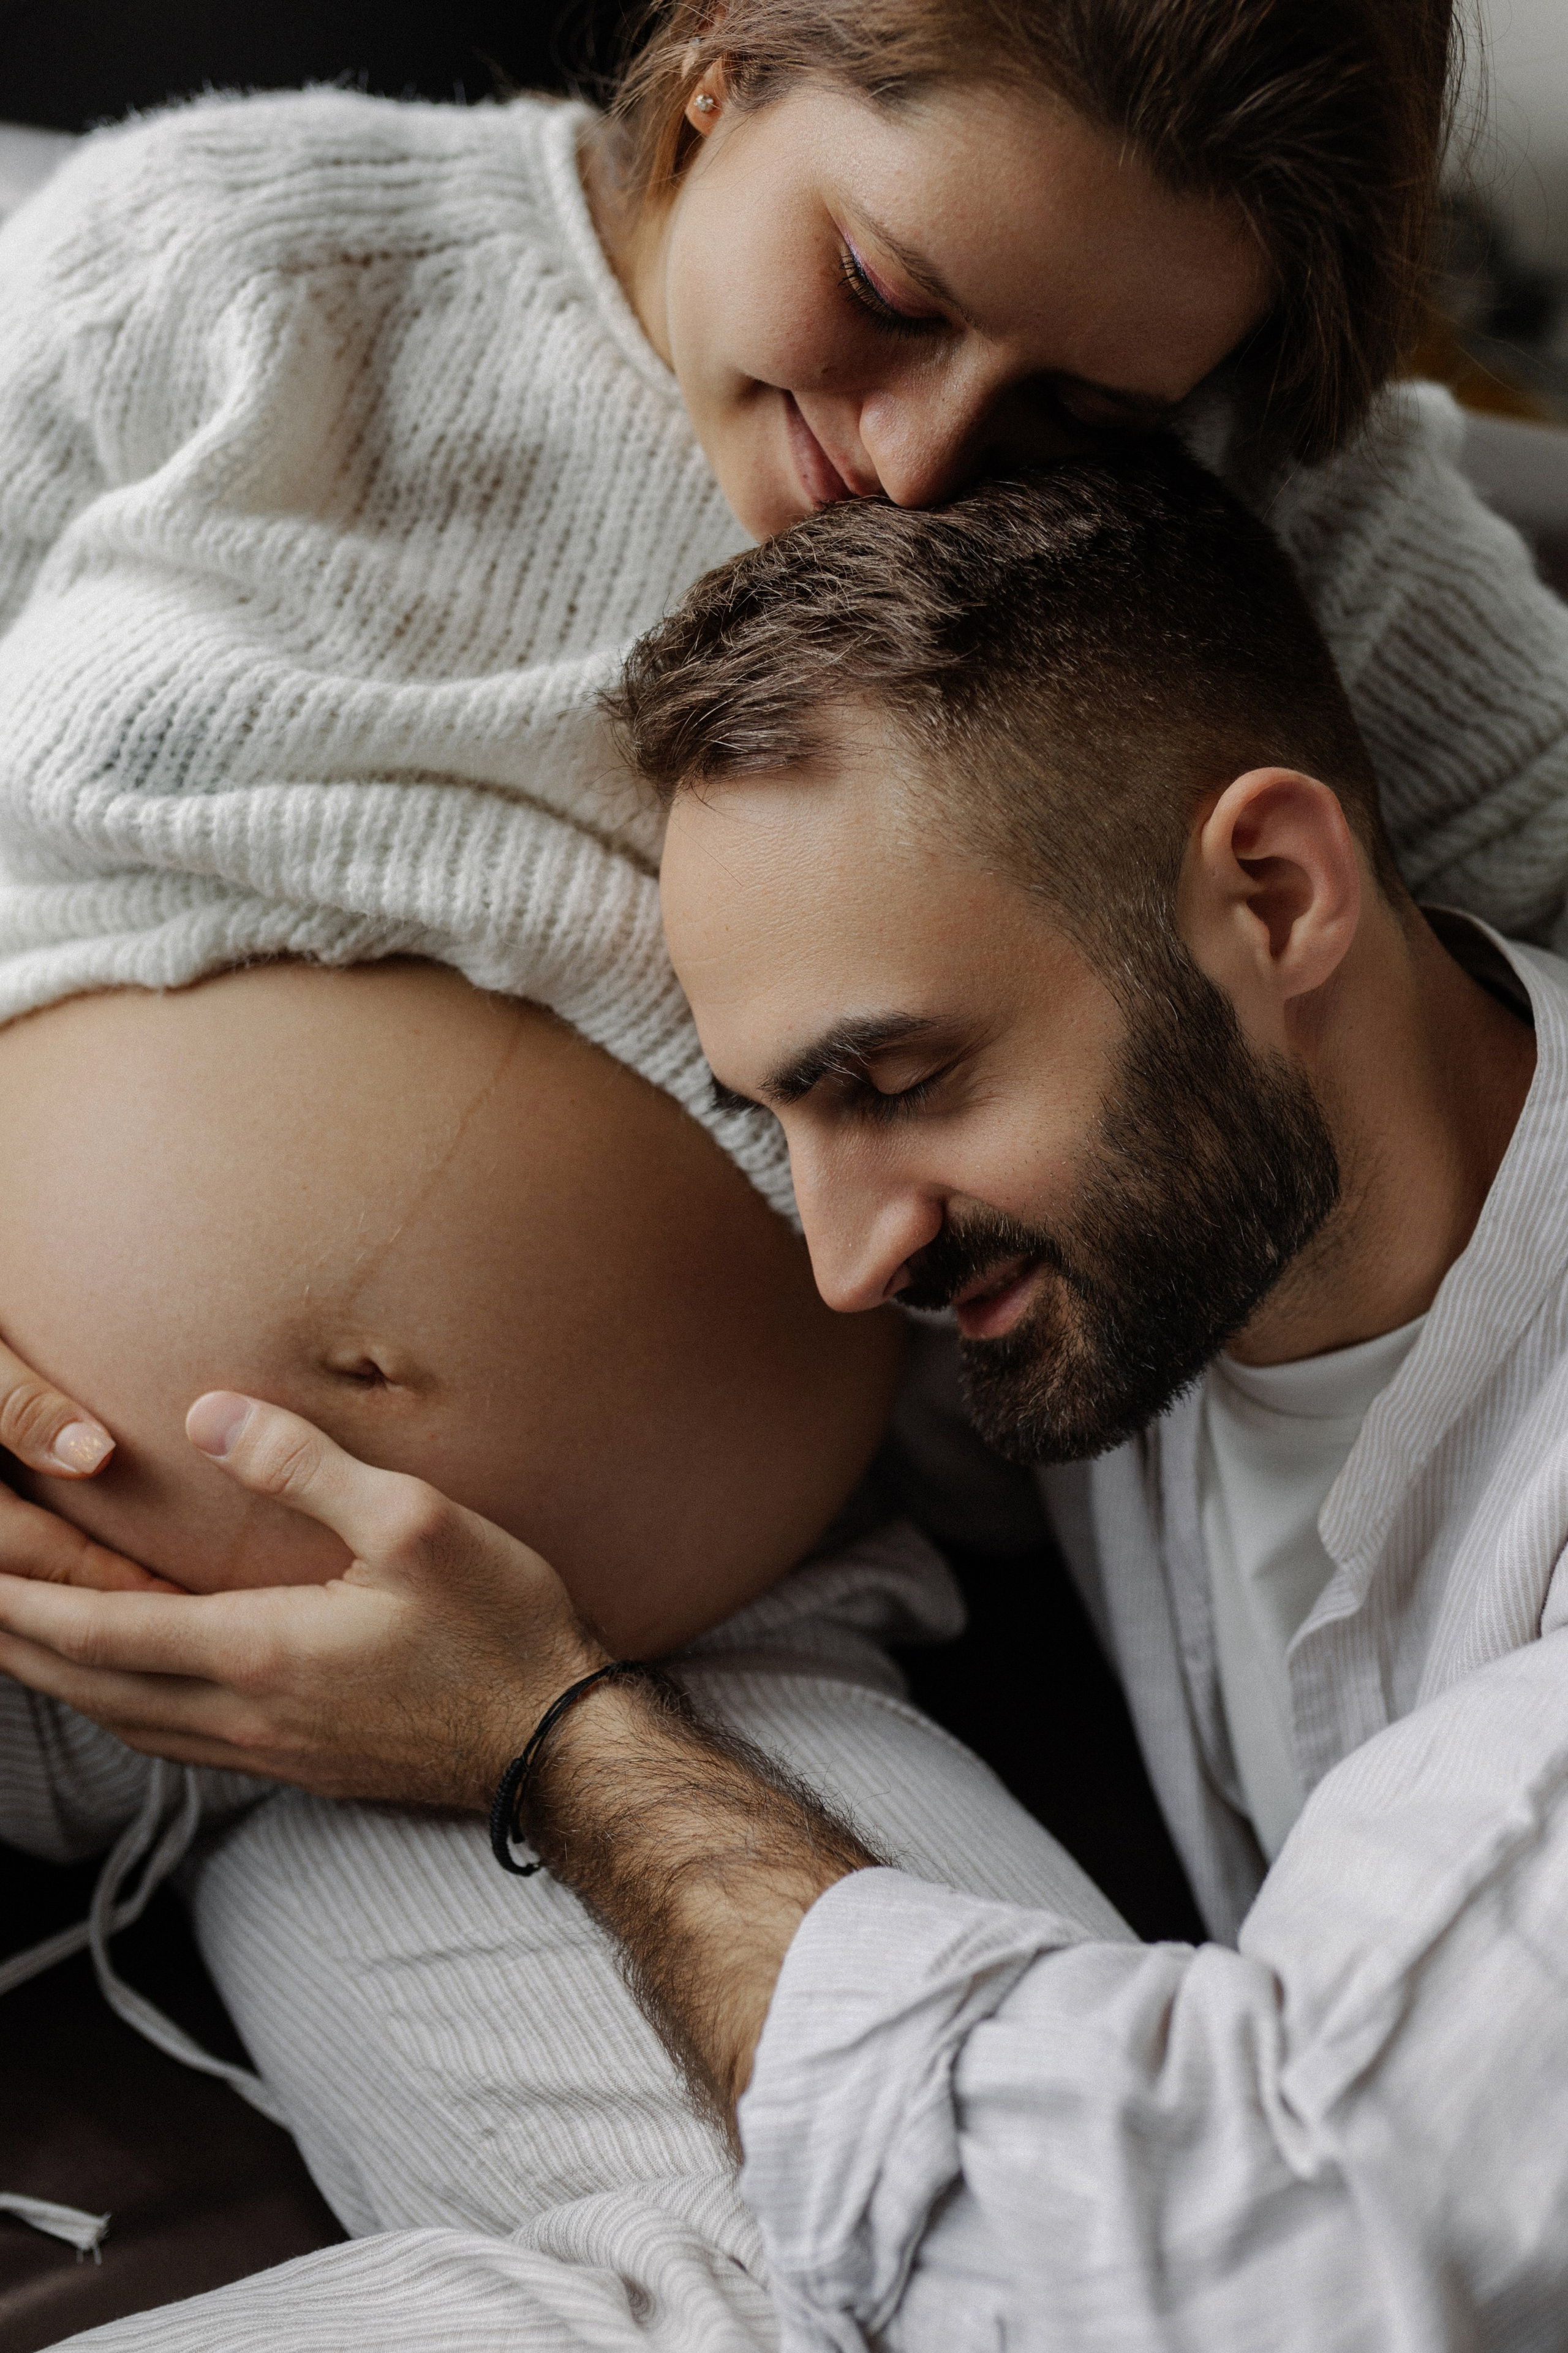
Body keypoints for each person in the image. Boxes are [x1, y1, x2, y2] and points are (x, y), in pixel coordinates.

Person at [4, 0, 1568, 2335]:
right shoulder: (248, 263)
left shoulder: (1262, 514)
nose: (929, 459)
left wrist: (556, 1725)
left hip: (640, 1672)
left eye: (1080, 418)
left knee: (910, 2276)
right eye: (894, 298)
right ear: (727, 68)